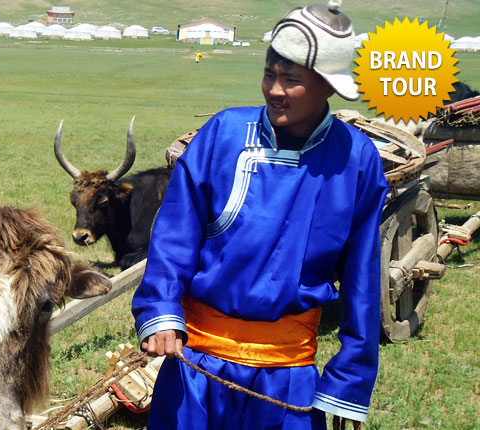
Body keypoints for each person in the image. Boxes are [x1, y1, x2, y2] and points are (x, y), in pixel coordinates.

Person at [132, 1, 386, 429]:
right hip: (197, 366)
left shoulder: (356, 161)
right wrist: (161, 309)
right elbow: (175, 235)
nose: (274, 89)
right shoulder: (222, 134)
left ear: (328, 85)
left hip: (287, 379)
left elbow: (363, 279)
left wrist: (348, 381)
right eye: (270, 74)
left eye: (291, 79)